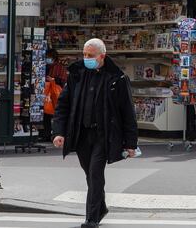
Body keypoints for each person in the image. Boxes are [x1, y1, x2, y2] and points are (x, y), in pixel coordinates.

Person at [53, 38, 138, 228]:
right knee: (89, 174)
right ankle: (101, 207)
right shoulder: (76, 75)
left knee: (95, 172)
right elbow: (63, 105)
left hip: (103, 135)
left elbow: (127, 112)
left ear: (102, 56)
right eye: (84, 55)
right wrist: (59, 132)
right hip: (82, 133)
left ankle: (91, 218)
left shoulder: (117, 79)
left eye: (90, 56)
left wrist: (131, 143)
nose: (86, 58)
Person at [42, 49, 68, 141]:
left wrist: (53, 80)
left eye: (49, 57)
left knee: (55, 114)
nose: (47, 59)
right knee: (47, 113)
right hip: (47, 94)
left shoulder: (59, 67)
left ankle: (56, 134)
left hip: (56, 94)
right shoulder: (46, 66)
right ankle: (47, 134)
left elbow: (63, 80)